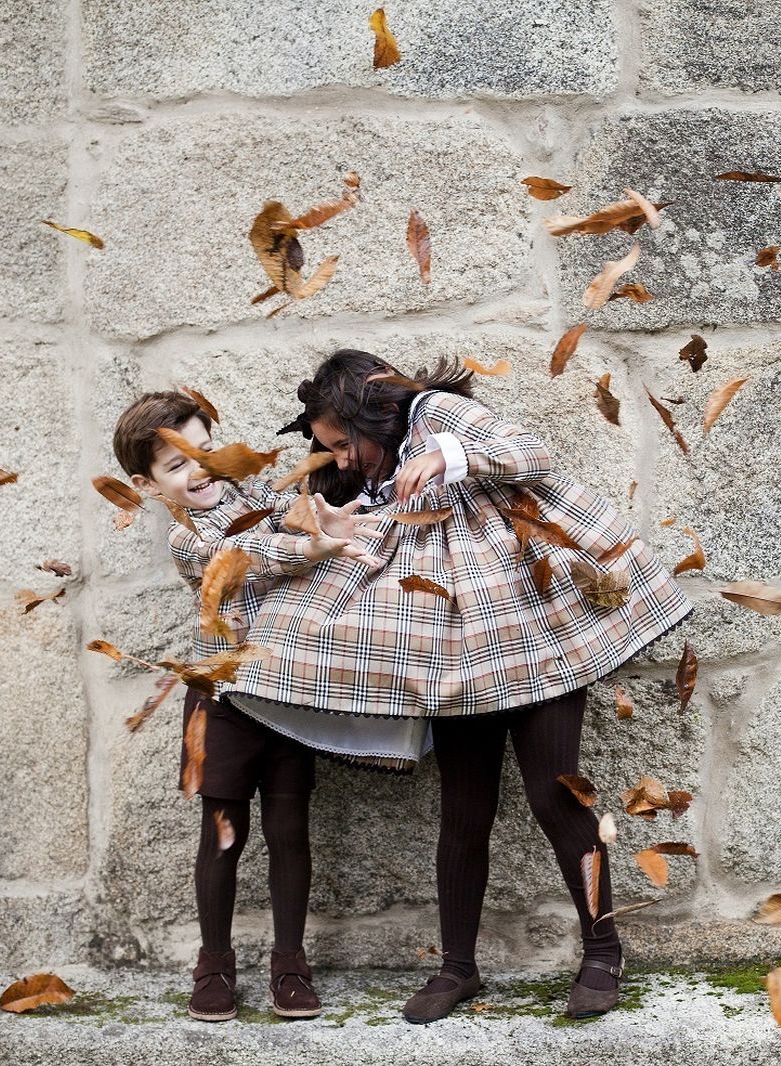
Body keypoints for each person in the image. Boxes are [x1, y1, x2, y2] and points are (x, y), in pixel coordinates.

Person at [223, 350, 694, 1022]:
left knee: (553, 796)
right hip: (458, 658)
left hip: (535, 642)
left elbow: (532, 451)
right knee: (463, 811)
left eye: (340, 441)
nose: (341, 457)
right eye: (326, 448)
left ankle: (602, 951)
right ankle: (458, 969)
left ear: (371, 411)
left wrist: (448, 454)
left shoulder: (432, 413)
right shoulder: (373, 473)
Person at [111, 390, 426, 1023]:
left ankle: (290, 962)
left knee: (289, 831)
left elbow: (298, 514)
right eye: (176, 466)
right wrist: (314, 546)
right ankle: (214, 963)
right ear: (148, 486)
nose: (196, 471)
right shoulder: (185, 539)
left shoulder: (263, 503)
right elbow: (243, 562)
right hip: (221, 696)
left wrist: (327, 522)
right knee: (221, 834)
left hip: (288, 693)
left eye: (203, 452)